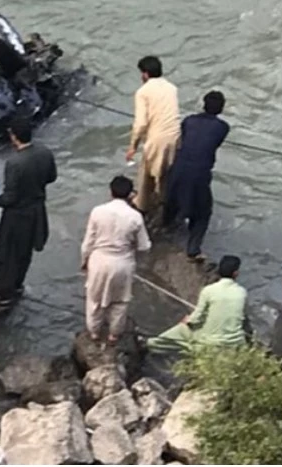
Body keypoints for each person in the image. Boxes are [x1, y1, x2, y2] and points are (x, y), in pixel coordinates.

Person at [0, 118, 57, 306]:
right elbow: (52, 177)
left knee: (6, 253)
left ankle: (4, 293)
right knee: (24, 252)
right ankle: (17, 285)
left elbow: (10, 196)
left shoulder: (14, 162)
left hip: (16, 214)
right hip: (37, 210)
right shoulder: (44, 152)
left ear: (13, 136)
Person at [80, 176, 152, 345]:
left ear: (110, 192)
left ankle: (94, 333)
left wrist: (84, 261)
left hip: (99, 261)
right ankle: (114, 335)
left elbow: (88, 242)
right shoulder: (135, 216)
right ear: (130, 195)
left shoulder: (97, 211)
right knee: (120, 301)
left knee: (94, 299)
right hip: (123, 263)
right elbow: (144, 246)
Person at [161, 90, 230, 262]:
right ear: (221, 109)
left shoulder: (189, 121)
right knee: (203, 213)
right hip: (199, 174)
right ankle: (193, 249)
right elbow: (214, 143)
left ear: (203, 104)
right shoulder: (222, 127)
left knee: (171, 201)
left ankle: (166, 226)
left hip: (176, 170)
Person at [146, 255, 251, 354]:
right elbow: (242, 317)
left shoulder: (208, 290)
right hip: (235, 343)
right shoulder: (242, 292)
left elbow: (197, 317)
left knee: (182, 329)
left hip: (210, 342)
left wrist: (187, 320)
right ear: (236, 273)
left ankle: (151, 344)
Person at [125, 56, 180, 214]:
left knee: (146, 174)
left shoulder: (143, 92)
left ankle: (142, 205)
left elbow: (141, 123)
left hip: (157, 138)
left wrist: (132, 146)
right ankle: (164, 200)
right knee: (166, 173)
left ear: (145, 74)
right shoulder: (172, 88)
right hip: (175, 136)